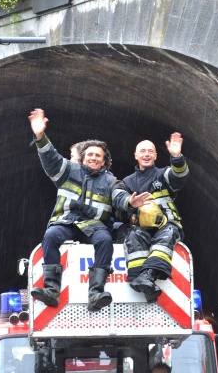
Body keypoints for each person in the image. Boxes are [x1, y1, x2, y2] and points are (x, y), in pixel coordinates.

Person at [29, 109, 146, 312]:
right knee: (50, 235)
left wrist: (130, 203)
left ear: (103, 161)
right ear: (83, 157)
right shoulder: (67, 170)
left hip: (94, 226)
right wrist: (40, 136)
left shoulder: (110, 181)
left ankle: (95, 294)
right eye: (90, 154)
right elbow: (50, 158)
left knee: (105, 240)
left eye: (98, 156)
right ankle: (51, 291)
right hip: (67, 222)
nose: (93, 158)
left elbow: (119, 196)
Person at [122, 133, 189, 302]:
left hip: (167, 226)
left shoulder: (163, 174)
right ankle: (142, 281)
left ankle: (147, 276)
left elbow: (180, 177)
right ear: (135, 156)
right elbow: (119, 207)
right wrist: (131, 206)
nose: (146, 154)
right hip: (142, 230)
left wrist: (176, 157)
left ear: (155, 155)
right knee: (133, 235)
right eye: (142, 151)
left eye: (150, 151)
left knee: (168, 234)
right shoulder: (128, 182)